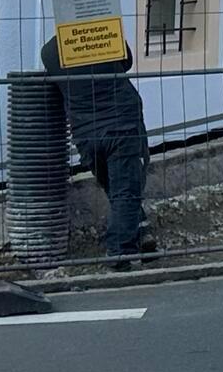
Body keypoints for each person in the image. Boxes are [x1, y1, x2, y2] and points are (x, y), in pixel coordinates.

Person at [39, 37, 153, 265]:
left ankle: (140, 229)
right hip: (122, 124)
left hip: (86, 133)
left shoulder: (49, 51)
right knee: (126, 188)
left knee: (115, 186)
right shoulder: (106, 33)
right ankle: (120, 251)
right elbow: (127, 62)